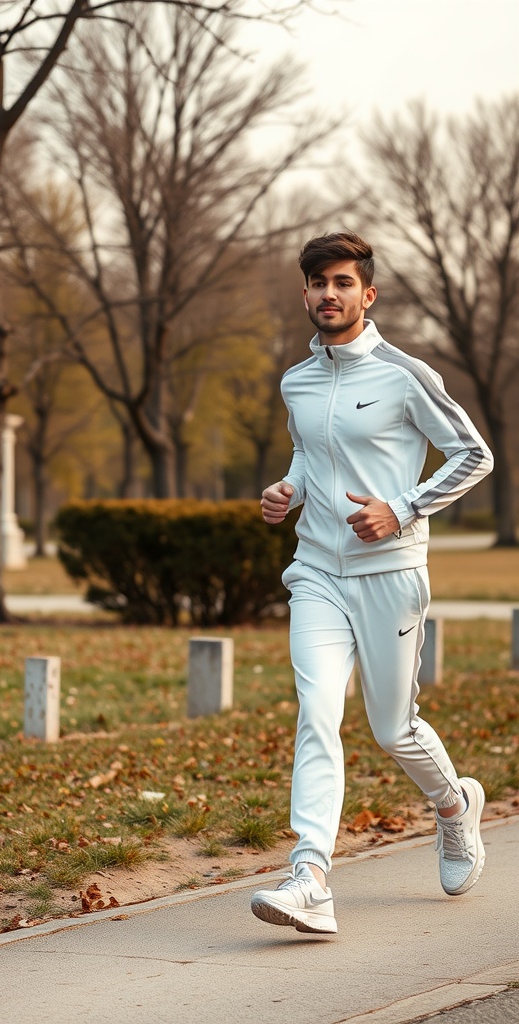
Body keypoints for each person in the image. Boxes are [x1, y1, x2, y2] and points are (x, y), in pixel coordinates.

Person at [250, 231, 494, 936]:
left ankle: (453, 806)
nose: (330, 294)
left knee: (393, 727)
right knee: (317, 713)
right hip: (318, 573)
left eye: (343, 282)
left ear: (368, 294)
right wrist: (287, 489)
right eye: (318, 283)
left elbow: (472, 454)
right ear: (305, 294)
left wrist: (404, 507)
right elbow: (308, 450)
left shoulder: (402, 373)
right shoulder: (297, 379)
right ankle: (311, 878)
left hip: (391, 575)